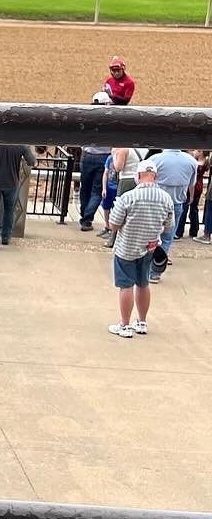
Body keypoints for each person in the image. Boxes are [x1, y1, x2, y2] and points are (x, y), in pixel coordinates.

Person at [107, 157, 173, 338]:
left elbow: (113, 224)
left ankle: (125, 325)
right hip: (150, 246)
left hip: (127, 247)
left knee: (125, 285)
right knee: (143, 283)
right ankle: (142, 321)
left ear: (138, 175)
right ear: (155, 176)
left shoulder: (128, 197)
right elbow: (168, 227)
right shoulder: (166, 198)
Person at [148, 147, 197, 259]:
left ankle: (151, 259)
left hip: (156, 202)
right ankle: (159, 262)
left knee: (152, 233)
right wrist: (192, 196)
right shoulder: (191, 161)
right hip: (177, 201)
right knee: (168, 236)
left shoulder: (155, 159)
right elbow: (191, 183)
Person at [78, 93, 116, 232]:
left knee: (85, 188)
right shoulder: (110, 121)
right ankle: (86, 219)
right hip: (103, 157)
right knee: (97, 190)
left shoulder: (87, 119)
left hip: (87, 156)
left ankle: (84, 215)